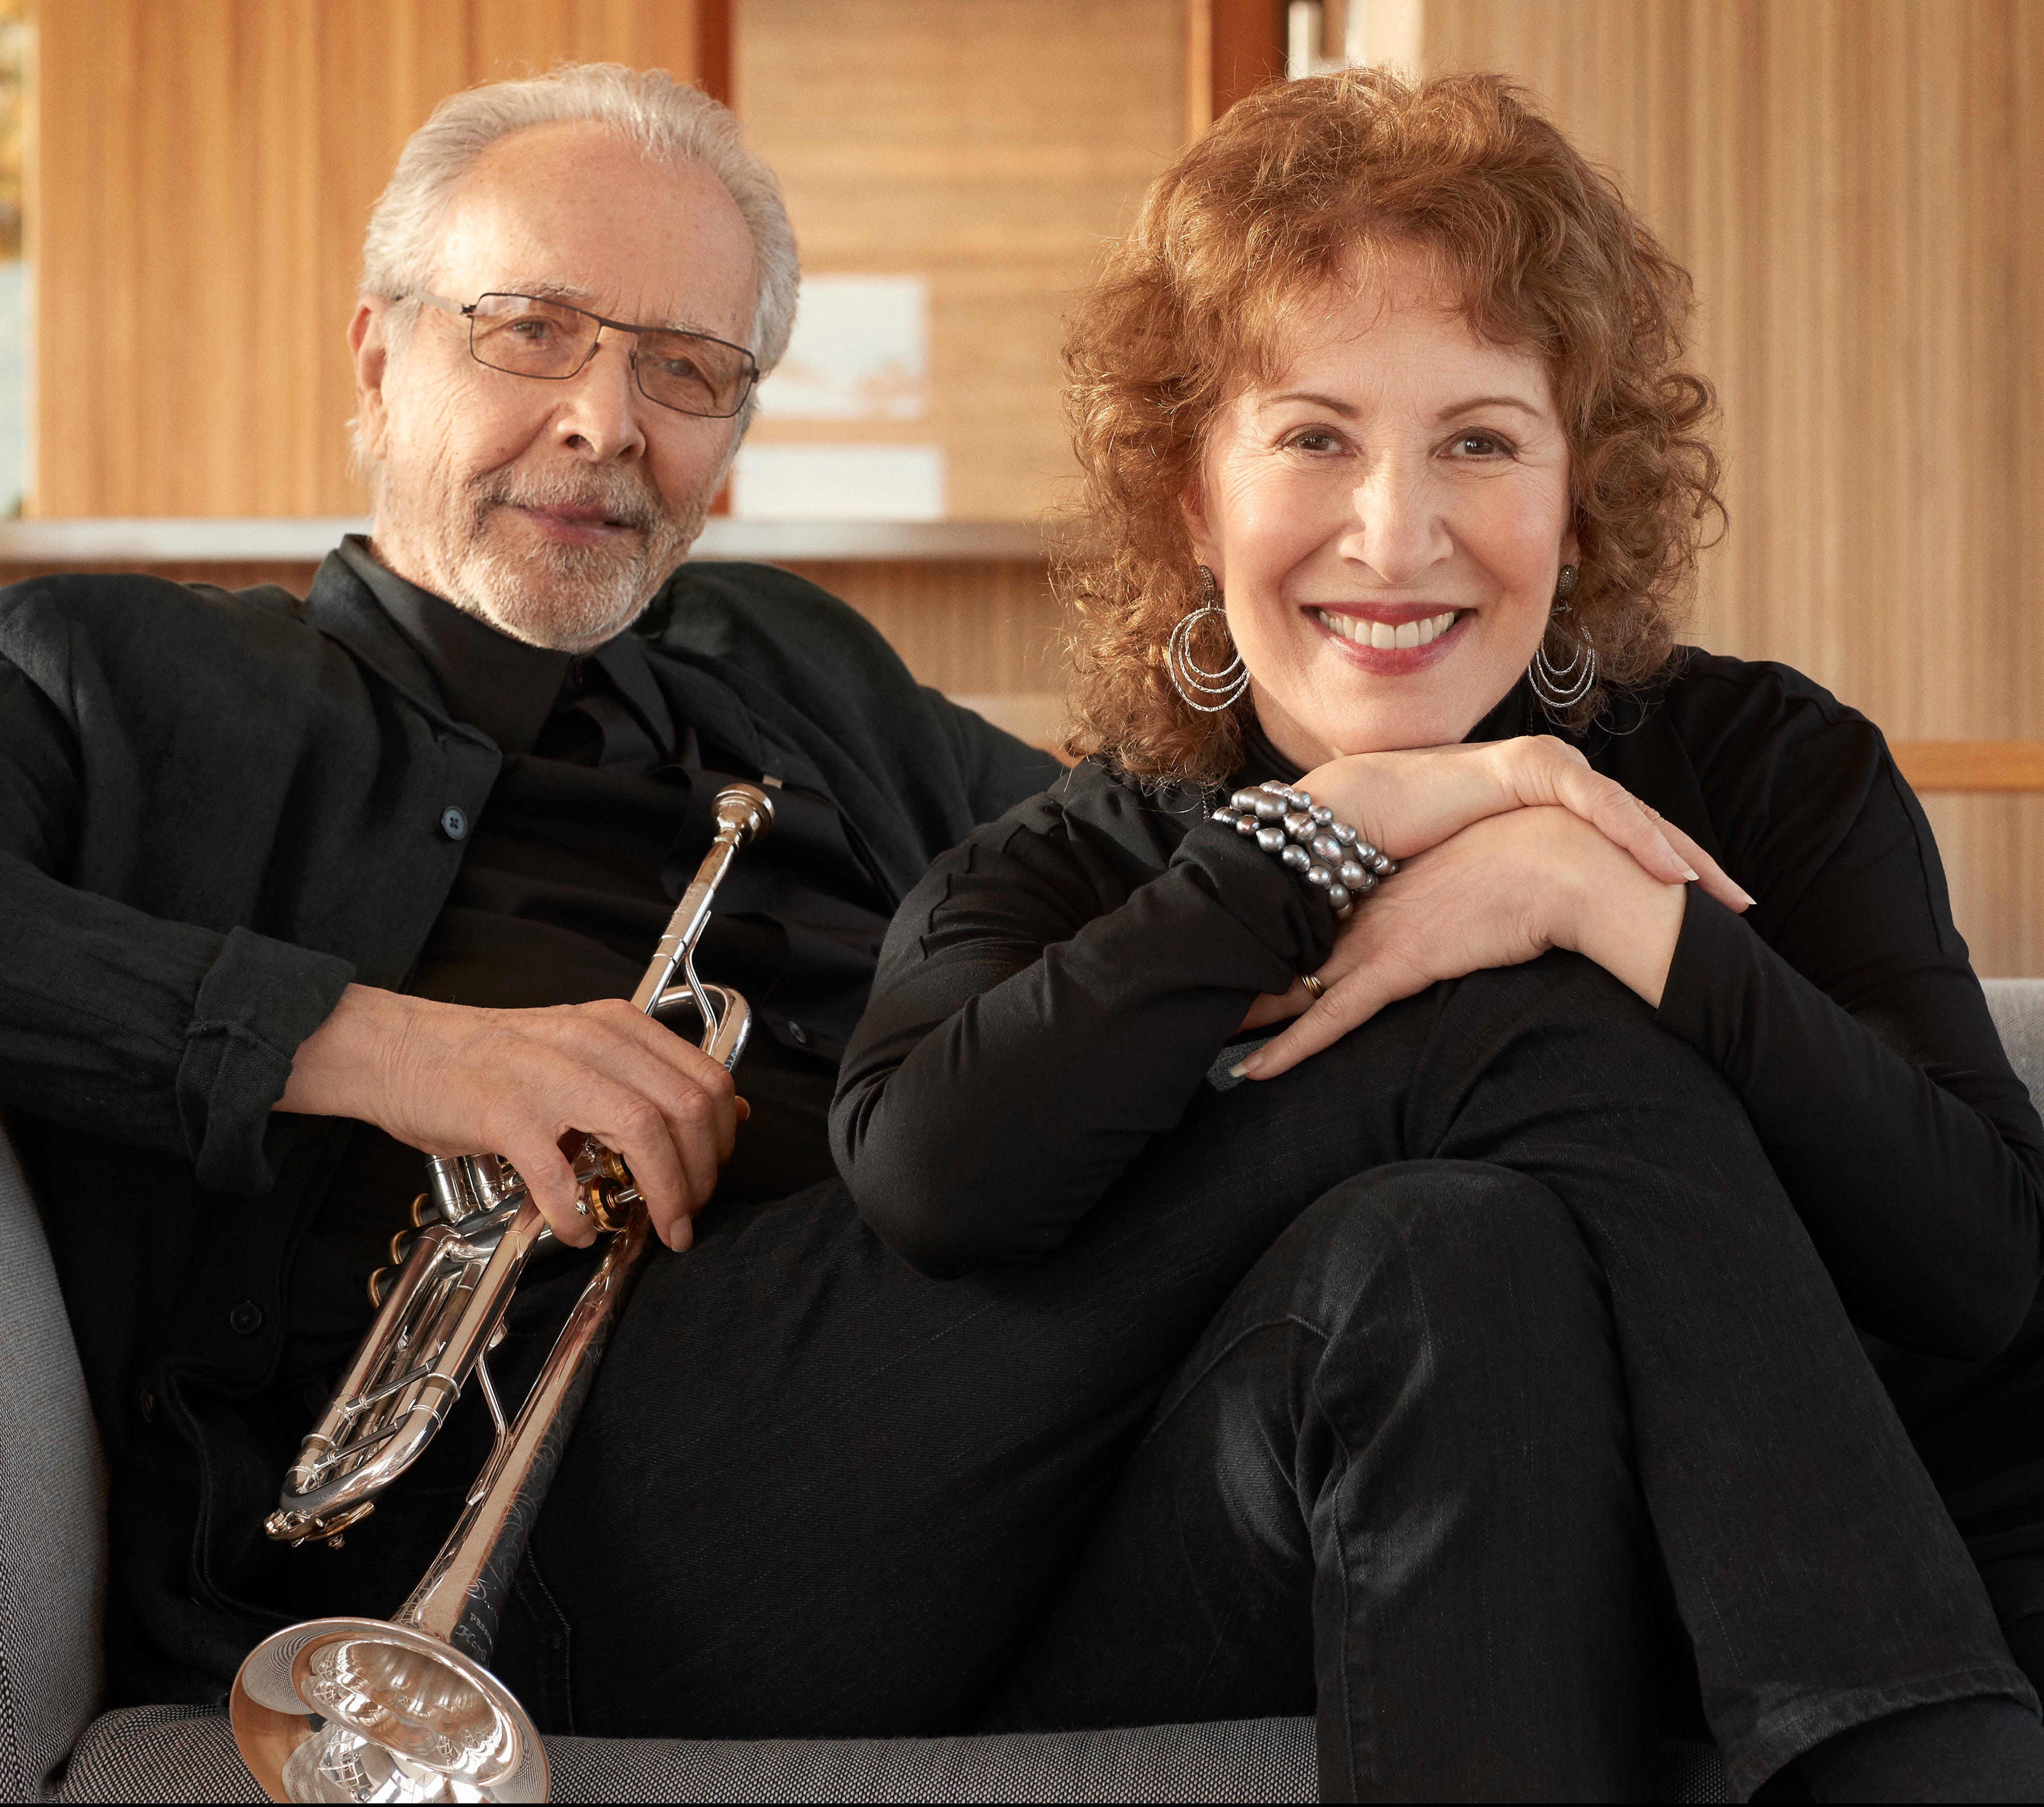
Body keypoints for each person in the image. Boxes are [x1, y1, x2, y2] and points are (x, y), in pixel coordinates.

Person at [0, 57, 2035, 1803]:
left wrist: (1430, 827)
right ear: (379, 350)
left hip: (971, 1448)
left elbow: (1138, 917)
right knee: (1491, 1023)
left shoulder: (797, 678)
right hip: (562, 1494)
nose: (606, 418)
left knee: (1448, 1233)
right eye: (530, 331)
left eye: (688, 371)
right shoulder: (120, 669)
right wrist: (373, 1041)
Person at [829, 68, 2044, 1801]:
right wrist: (1320, 841)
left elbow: (1982, 1262)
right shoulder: (1067, 869)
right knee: (1442, 1243)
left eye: (1481, 440)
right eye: (1313, 436)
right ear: (1192, 498)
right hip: (1282, 1571)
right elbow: (934, 1176)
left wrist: (1601, 904)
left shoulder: (1769, 771)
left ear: (1581, 490)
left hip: (1765, 1571)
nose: (1395, 536)